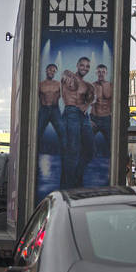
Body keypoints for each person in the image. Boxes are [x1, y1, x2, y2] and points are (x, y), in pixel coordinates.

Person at [59, 57, 95, 188]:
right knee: (72, 150)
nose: (84, 68)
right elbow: (66, 78)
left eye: (87, 66)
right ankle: (68, 186)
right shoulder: (68, 76)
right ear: (77, 65)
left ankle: (75, 178)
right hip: (70, 112)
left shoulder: (88, 85)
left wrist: (87, 105)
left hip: (83, 117)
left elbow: (90, 98)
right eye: (82, 65)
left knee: (90, 151)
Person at [38, 64, 62, 148]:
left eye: (54, 71)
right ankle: (34, 153)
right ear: (46, 70)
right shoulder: (40, 84)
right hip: (44, 109)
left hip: (55, 110)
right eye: (50, 70)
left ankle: (65, 156)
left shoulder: (58, 84)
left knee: (62, 132)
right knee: (38, 132)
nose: (52, 72)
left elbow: (66, 95)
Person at [91, 64, 113, 156]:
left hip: (106, 118)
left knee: (112, 144)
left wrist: (112, 118)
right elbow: (86, 103)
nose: (101, 74)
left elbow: (114, 102)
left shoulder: (111, 86)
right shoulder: (92, 86)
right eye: (99, 72)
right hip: (94, 118)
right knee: (86, 141)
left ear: (106, 73)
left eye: (103, 72)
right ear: (96, 73)